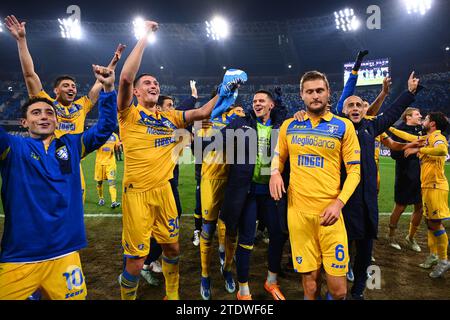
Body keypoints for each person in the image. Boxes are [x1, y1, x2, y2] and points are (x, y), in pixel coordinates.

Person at [116, 20, 246, 300]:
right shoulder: (129, 114)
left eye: (156, 83)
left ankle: (172, 296)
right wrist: (145, 36)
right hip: (137, 193)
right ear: (137, 92)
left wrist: (224, 91)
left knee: (173, 250)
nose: (153, 85)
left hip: (165, 193)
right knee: (136, 262)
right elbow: (125, 78)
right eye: (147, 83)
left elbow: (202, 114)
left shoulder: (169, 117)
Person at [0, 64, 117, 300]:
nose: (44, 116)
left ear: (56, 120)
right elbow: (29, 75)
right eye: (36, 113)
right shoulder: (12, 146)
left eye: (49, 113)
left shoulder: (72, 145)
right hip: (20, 256)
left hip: (65, 254)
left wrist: (108, 87)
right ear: (24, 123)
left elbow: (105, 127)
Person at [5, 15, 126, 203]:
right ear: (55, 90)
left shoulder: (81, 105)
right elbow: (29, 74)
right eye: (66, 85)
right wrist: (21, 41)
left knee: (74, 209)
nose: (72, 88)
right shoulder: (46, 105)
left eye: (73, 86)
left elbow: (101, 81)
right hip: (46, 158)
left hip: (74, 161)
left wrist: (114, 62)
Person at [270, 70, 361, 300]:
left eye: (319, 90)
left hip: (330, 214)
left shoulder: (343, 127)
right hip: (298, 215)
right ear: (301, 95)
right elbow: (278, 157)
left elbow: (355, 172)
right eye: (309, 91)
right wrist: (274, 173)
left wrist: (338, 204)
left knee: (338, 290)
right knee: (309, 286)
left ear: (328, 93)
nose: (315, 96)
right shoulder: (290, 125)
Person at [339, 71, 422, 299]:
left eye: (359, 105)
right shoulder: (336, 129)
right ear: (344, 111)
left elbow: (393, 112)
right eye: (350, 105)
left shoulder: (371, 127)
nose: (355, 107)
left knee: (365, 252)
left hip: (368, 201)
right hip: (345, 201)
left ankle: (358, 293)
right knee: (342, 247)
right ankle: (339, 290)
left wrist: (409, 92)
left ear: (365, 110)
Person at [219, 90, 289, 300]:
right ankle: (243, 289)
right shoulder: (242, 123)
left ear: (271, 105)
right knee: (247, 239)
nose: (257, 103)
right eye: (254, 100)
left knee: (278, 234)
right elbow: (218, 139)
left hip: (271, 192)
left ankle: (271, 281)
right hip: (247, 193)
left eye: (262, 101)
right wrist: (198, 140)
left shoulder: (282, 126)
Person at [198, 103, 246, 300]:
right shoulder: (208, 119)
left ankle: (227, 269)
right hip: (210, 180)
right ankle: (205, 275)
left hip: (234, 180)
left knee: (232, 229)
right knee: (208, 229)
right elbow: (200, 147)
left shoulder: (241, 118)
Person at [394, 112, 450, 277]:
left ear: (432, 123)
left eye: (426, 119)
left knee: (435, 224)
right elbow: (406, 135)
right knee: (429, 222)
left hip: (436, 187)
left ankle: (444, 260)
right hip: (428, 186)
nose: (423, 120)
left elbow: (441, 149)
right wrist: (386, 128)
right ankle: (433, 255)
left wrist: (419, 149)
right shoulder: (428, 137)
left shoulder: (437, 137)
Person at [388, 107, 424, 252]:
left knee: (420, 206)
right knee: (400, 206)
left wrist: (417, 150)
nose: (420, 116)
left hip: (421, 174)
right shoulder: (399, 129)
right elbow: (394, 154)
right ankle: (391, 237)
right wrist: (410, 148)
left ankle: (410, 237)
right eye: (417, 114)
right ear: (408, 117)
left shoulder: (420, 129)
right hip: (405, 174)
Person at [95, 132, 121, 208]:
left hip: (110, 163)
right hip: (99, 163)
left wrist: (118, 146)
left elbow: (116, 148)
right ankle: (101, 198)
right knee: (99, 183)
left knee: (112, 183)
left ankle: (114, 202)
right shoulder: (99, 133)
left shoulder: (115, 136)